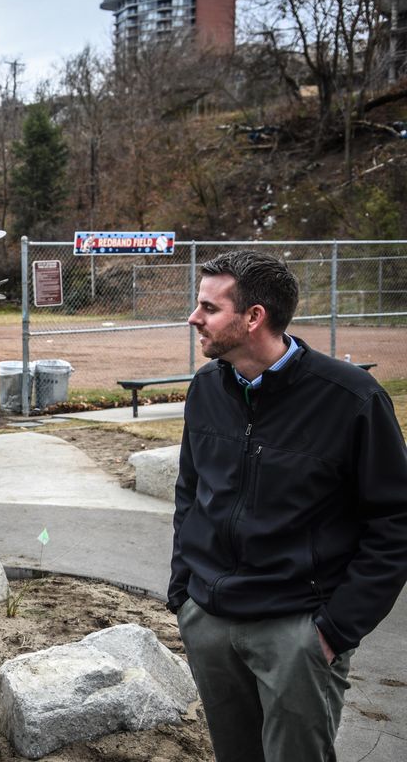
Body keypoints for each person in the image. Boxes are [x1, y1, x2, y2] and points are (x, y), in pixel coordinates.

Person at [169, 250, 407, 762]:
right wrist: (184, 593)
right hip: (209, 619)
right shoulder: (206, 387)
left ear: (254, 317)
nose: (194, 318)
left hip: (297, 630)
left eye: (209, 308)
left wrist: (334, 630)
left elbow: (394, 523)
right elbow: (190, 490)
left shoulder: (351, 399)